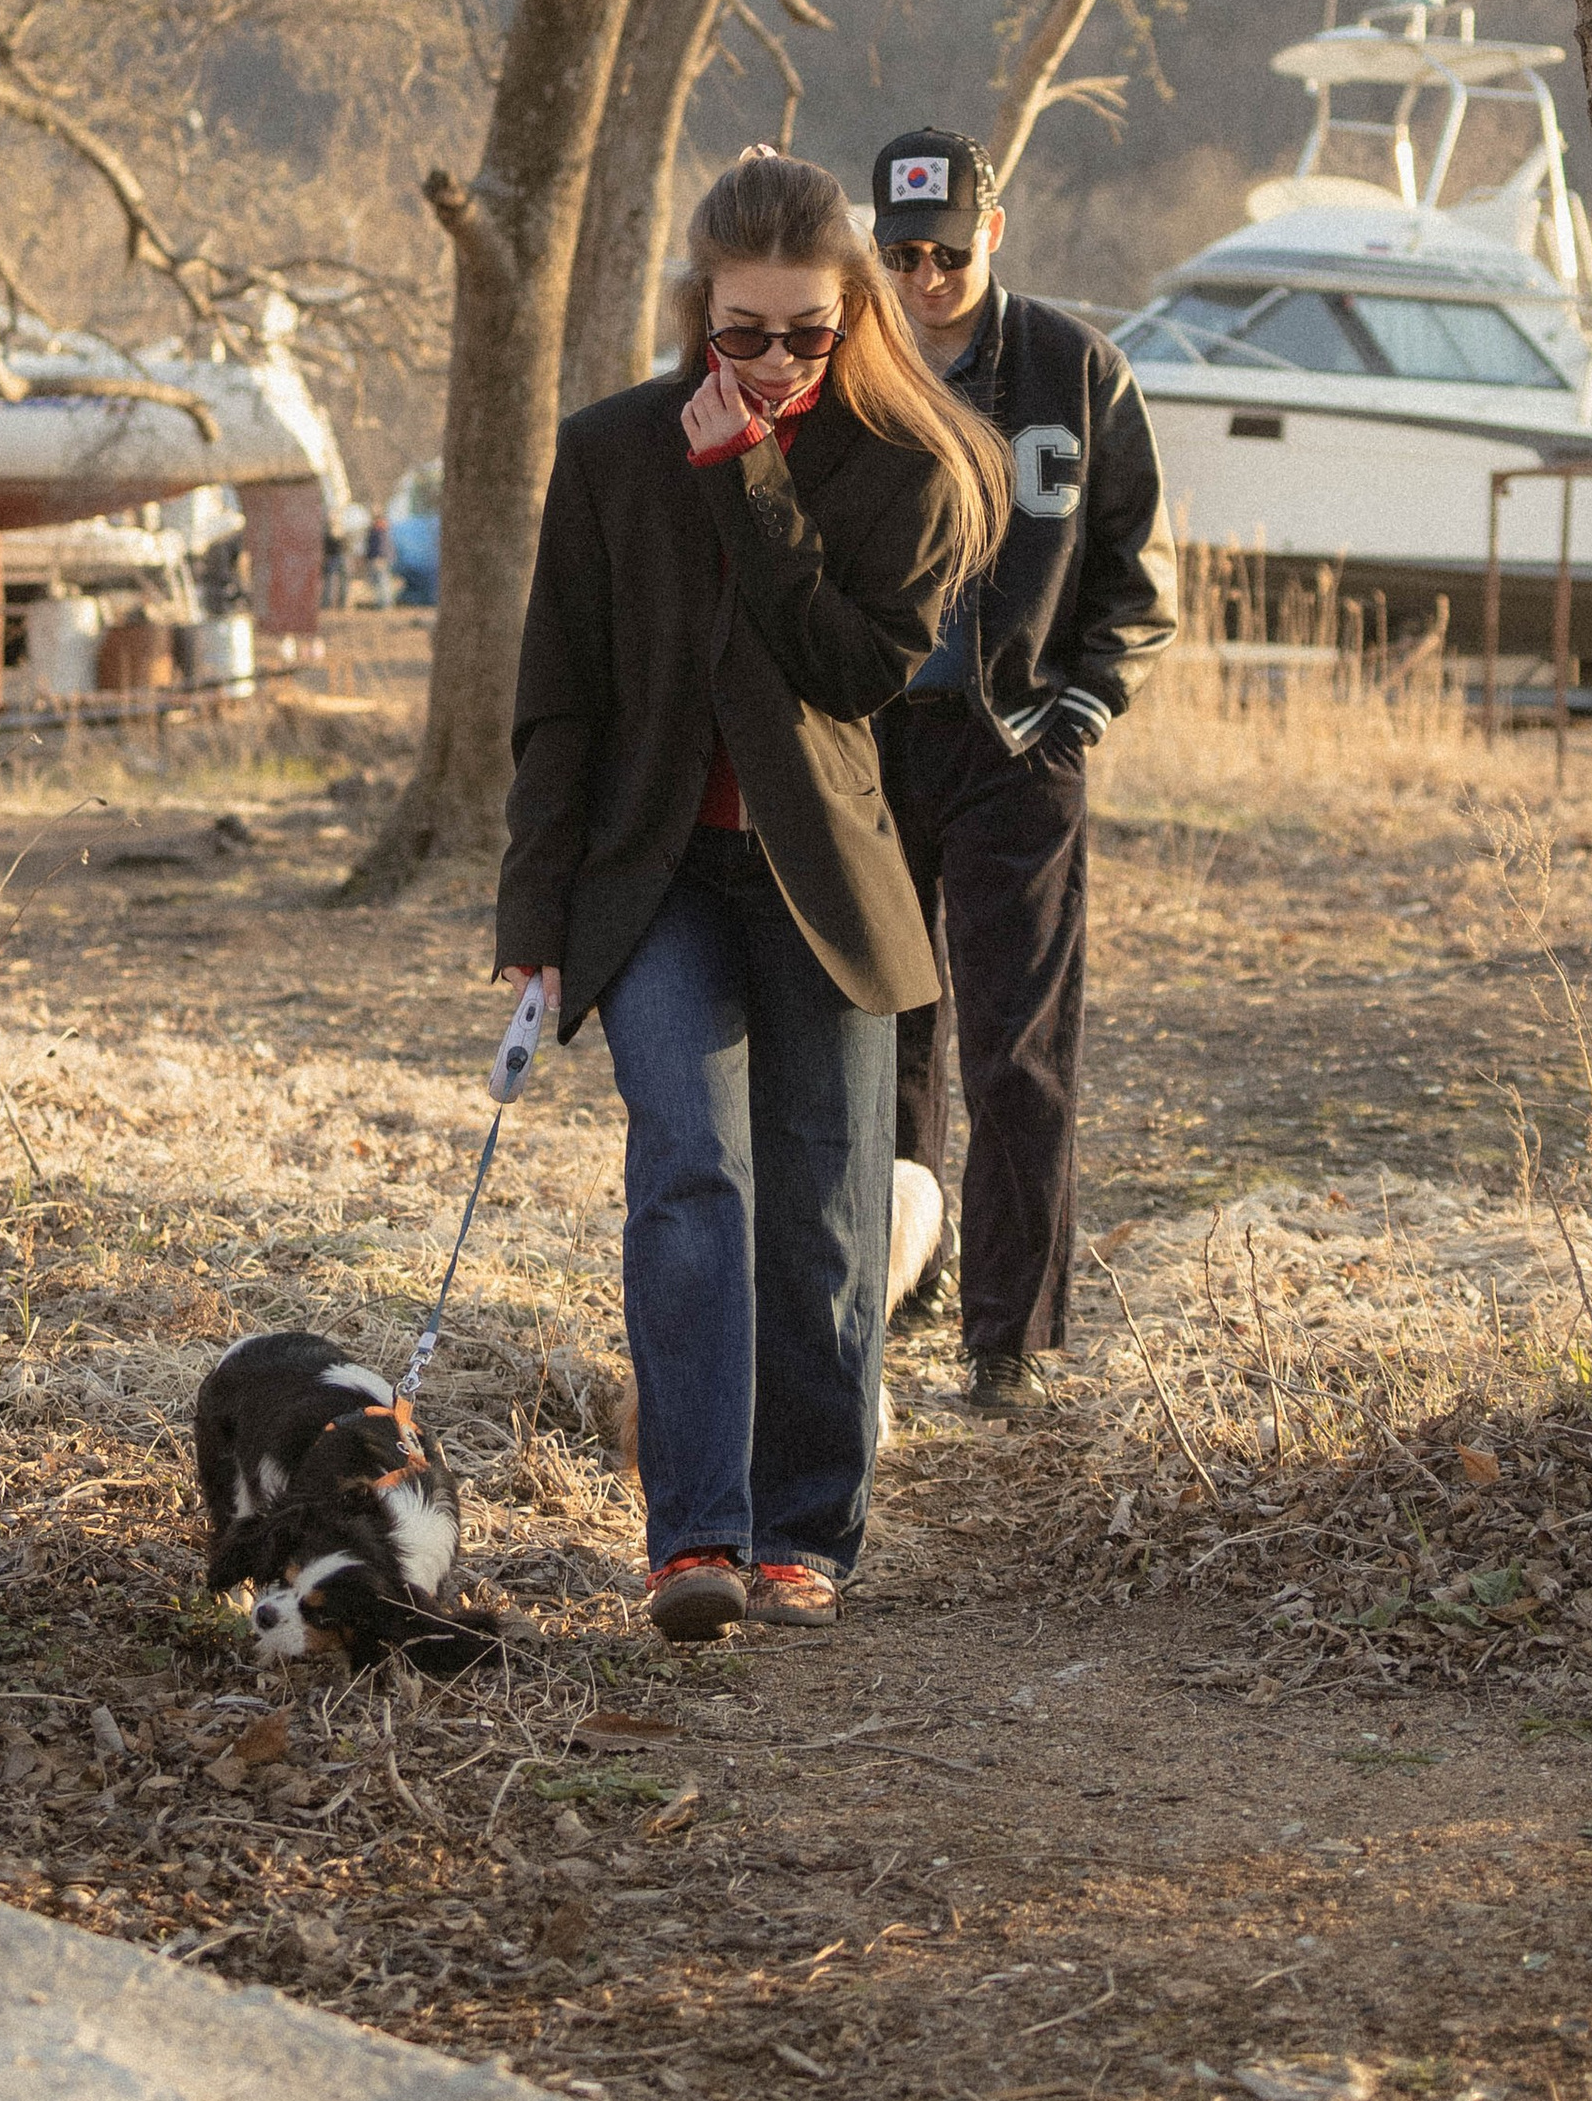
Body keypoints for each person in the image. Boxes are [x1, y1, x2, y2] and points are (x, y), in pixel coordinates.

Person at [495, 148, 1011, 1641]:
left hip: (826, 884)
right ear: (696, 319)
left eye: (804, 332)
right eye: (744, 334)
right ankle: (694, 1537)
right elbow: (558, 707)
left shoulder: (907, 464)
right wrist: (534, 923)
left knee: (825, 1211)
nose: (775, 361)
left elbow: (853, 666)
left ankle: (805, 1528)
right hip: (655, 876)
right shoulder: (605, 456)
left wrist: (754, 481)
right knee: (688, 1172)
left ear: (850, 316)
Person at [868, 125, 1176, 1418]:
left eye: (946, 251)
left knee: (1015, 1046)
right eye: (898, 253)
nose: (925, 277)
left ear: (991, 233)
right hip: (875, 735)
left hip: (1018, 739)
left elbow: (1137, 567)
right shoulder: (851, 365)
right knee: (883, 1031)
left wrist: (1083, 707)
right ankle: (894, 1271)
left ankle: (1009, 1335)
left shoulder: (1073, 366)